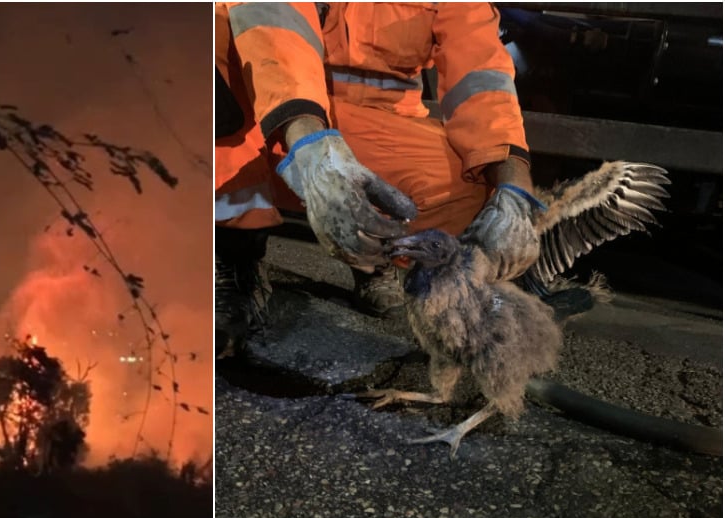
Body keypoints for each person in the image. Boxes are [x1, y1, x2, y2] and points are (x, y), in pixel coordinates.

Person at [215, 2, 543, 357]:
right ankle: (235, 256)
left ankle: (376, 255)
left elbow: (481, 76)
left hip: (377, 129)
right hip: (276, 121)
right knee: (210, 43)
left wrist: (515, 186)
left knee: (471, 190)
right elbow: (277, 29)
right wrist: (312, 150)